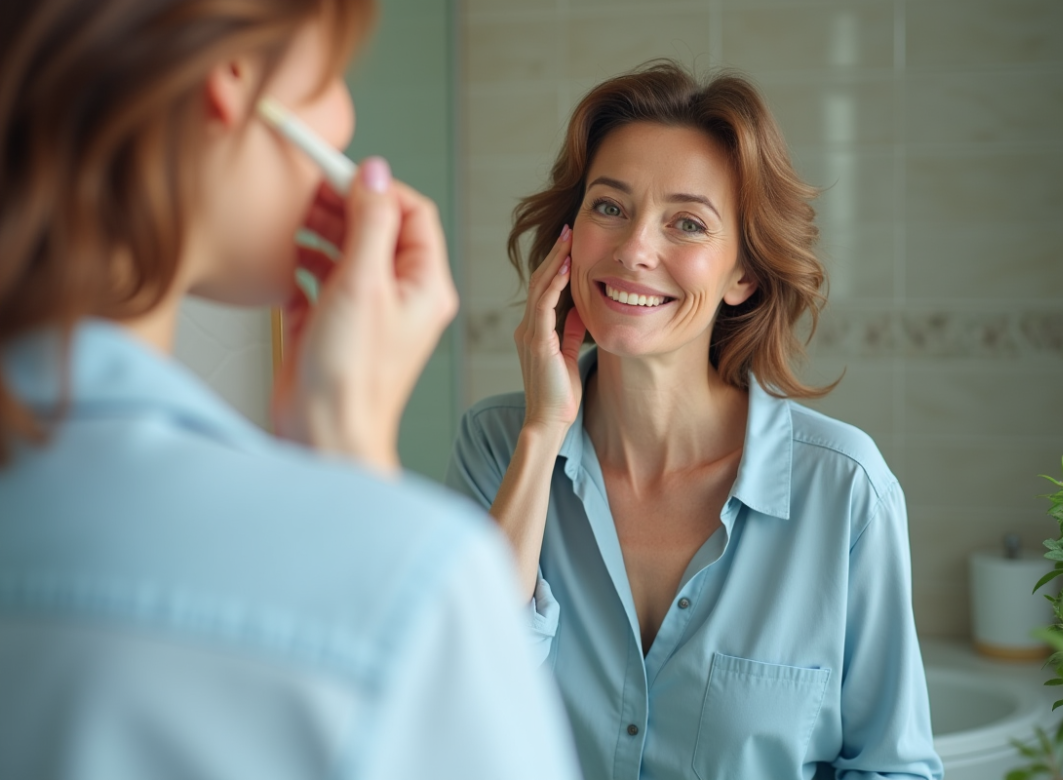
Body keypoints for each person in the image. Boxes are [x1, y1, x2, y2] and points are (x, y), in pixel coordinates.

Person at [0, 2, 579, 779]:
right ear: (232, 81)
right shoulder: (413, 580)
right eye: (334, 74)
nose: (344, 119)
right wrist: (356, 476)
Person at [447, 61, 944, 780]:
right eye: (609, 207)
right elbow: (457, 711)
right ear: (569, 237)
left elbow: (893, 768)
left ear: (743, 274)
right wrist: (540, 433)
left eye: (686, 223)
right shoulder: (495, 448)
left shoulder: (845, 491)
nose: (634, 249)